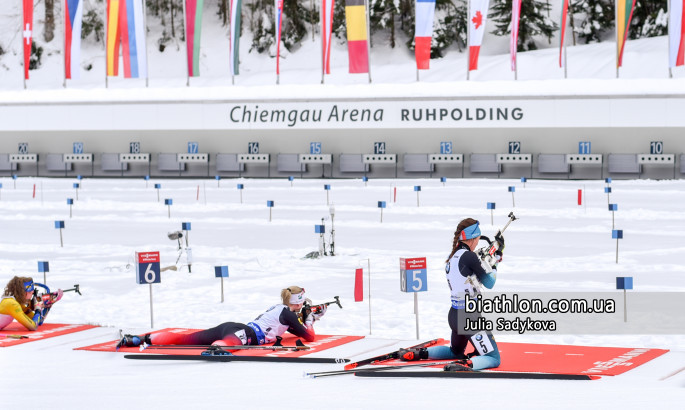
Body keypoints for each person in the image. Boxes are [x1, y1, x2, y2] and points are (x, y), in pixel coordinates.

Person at [399, 218, 503, 371]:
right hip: (469, 317)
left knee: (455, 351)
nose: (478, 243)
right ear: (472, 238)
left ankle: (419, 353)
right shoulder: (470, 257)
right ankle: (466, 365)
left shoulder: (453, 256)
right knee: (494, 358)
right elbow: (490, 283)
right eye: (478, 239)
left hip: (454, 315)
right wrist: (496, 262)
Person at [117, 286, 327, 348]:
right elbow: (310, 337)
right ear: (298, 303)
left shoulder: (278, 308)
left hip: (234, 326)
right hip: (245, 334)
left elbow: (286, 327)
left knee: (186, 339)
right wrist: (310, 320)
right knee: (226, 344)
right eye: (303, 303)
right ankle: (218, 347)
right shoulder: (289, 315)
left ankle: (140, 339)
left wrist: (305, 318)